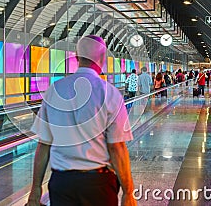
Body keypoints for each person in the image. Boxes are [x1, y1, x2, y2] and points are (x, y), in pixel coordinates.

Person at [27, 35, 136, 206]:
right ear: (102, 59)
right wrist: (128, 193)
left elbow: (43, 145)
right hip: (98, 184)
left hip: (61, 184)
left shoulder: (53, 91)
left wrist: (35, 189)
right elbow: (117, 148)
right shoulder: (110, 93)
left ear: (76, 56)